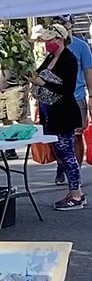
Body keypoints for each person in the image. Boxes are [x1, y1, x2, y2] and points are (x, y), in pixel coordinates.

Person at [28, 24, 84, 211]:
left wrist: (42, 82)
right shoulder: (51, 57)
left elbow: (67, 89)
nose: (46, 44)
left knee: (66, 152)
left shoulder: (69, 60)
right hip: (50, 112)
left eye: (50, 40)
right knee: (61, 152)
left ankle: (76, 193)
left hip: (65, 113)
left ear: (60, 39)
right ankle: (75, 191)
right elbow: (39, 74)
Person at [52, 15, 92, 182]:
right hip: (54, 99)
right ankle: (62, 165)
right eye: (56, 22)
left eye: (63, 22)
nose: (60, 26)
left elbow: (88, 71)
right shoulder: (51, 46)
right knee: (55, 137)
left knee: (75, 135)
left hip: (76, 96)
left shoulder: (81, 46)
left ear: (71, 25)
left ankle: (75, 169)